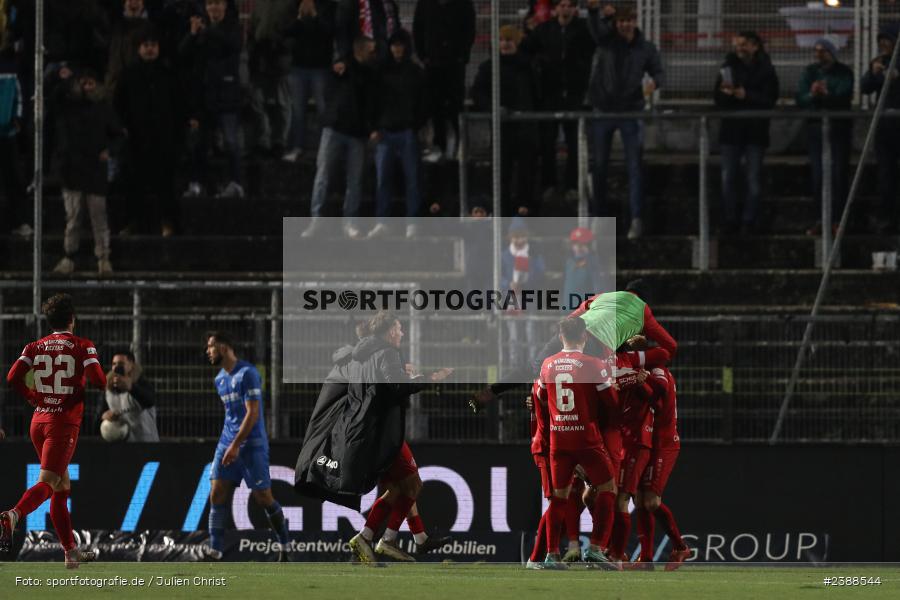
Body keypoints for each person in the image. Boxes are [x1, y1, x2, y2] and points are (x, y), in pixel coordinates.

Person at [294, 320, 450, 559]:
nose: (401, 333)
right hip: (378, 432)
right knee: (412, 484)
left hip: (368, 432)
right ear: (383, 335)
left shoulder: (356, 359)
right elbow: (391, 388)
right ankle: (382, 539)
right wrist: (427, 378)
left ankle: (414, 538)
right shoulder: (380, 355)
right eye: (398, 329)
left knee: (400, 487)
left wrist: (404, 372)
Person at [1, 293, 106, 568]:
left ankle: (70, 552)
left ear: (49, 321)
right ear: (73, 319)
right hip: (62, 424)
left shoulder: (34, 346)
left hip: (38, 421)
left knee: (62, 487)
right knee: (49, 482)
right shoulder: (83, 345)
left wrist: (31, 395)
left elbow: (12, 377)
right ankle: (14, 514)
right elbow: (99, 381)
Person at [535, 317, 618, 569]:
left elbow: (540, 397)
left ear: (561, 336)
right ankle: (596, 548)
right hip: (586, 438)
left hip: (559, 438)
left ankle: (551, 555)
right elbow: (611, 404)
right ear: (585, 336)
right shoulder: (594, 364)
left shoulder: (547, 364)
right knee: (608, 488)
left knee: (559, 497)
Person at [204, 331, 290, 561]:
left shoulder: (248, 373)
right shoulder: (219, 379)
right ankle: (215, 549)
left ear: (224, 347)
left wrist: (236, 445)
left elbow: (252, 413)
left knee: (263, 498)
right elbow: (231, 416)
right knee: (216, 493)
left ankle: (285, 544)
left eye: (211, 346)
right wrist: (228, 444)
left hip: (252, 445)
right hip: (227, 442)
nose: (208, 351)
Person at [586, 4, 663, 239]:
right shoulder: (607, 41)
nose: (624, 25)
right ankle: (599, 217)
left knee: (634, 167)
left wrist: (654, 84)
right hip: (604, 110)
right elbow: (596, 30)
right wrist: (595, 13)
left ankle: (636, 218)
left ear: (635, 21)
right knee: (599, 167)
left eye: (628, 20)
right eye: (621, 21)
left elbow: (659, 72)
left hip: (630, 111)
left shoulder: (645, 48)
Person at [302, 36, 377, 239]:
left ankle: (346, 221)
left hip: (353, 132)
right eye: (370, 51)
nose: (374, 54)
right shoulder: (343, 68)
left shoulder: (365, 72)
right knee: (325, 176)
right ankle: (319, 219)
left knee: (352, 180)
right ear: (361, 50)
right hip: (337, 128)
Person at [50, 66, 121, 276]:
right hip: (72, 170)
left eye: (91, 83)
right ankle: (69, 256)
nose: (87, 87)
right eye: (83, 83)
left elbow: (119, 134)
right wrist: (65, 80)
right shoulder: (67, 107)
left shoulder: (103, 108)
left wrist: (109, 151)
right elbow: (53, 99)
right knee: (73, 217)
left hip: (95, 171)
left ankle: (103, 258)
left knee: (98, 217)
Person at [521, 0, 594, 197]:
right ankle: (548, 184)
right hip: (549, 93)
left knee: (574, 142)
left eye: (569, 5)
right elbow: (526, 48)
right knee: (547, 142)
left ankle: (572, 185)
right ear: (555, 9)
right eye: (562, 5)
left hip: (574, 93)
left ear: (575, 8)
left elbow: (595, 44)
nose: (565, 8)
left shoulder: (583, 30)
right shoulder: (545, 29)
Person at [114, 26, 182, 236]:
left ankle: (167, 222)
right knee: (134, 183)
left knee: (165, 183)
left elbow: (177, 103)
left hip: (163, 136)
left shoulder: (168, 73)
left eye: (153, 45)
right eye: (146, 45)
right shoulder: (128, 74)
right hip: (136, 137)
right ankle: (133, 222)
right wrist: (123, 127)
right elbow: (119, 104)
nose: (150, 49)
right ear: (139, 48)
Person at [714, 31, 779, 235]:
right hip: (732, 131)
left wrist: (746, 95)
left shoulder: (766, 69)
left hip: (755, 132)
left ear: (755, 46)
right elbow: (718, 100)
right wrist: (726, 94)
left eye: (743, 44)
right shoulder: (727, 67)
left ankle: (748, 221)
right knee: (728, 179)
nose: (739, 48)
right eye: (737, 44)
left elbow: (770, 99)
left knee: (753, 180)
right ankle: (731, 220)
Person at [471, 25, 540, 216]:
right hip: (502, 129)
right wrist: (493, 108)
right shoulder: (489, 67)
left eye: (508, 40)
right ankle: (502, 212)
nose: (504, 44)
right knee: (502, 173)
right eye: (501, 40)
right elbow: (478, 93)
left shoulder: (527, 66)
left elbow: (537, 93)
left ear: (516, 42)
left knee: (526, 173)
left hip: (525, 128)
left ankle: (523, 212)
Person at [180, 0, 245, 199]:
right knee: (199, 142)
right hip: (204, 95)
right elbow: (183, 54)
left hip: (227, 94)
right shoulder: (200, 29)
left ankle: (236, 183)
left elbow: (233, 45)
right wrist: (192, 34)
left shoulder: (233, 27)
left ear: (224, 6)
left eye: (217, 3)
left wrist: (208, 31)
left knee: (230, 142)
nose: (213, 8)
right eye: (210, 3)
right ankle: (197, 183)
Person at [367, 29, 427, 239]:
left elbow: (423, 103)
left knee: (412, 179)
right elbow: (372, 100)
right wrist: (374, 127)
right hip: (385, 132)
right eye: (394, 45)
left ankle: (412, 223)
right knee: (383, 179)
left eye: (400, 45)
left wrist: (415, 125)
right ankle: (383, 221)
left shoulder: (416, 72)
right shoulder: (381, 71)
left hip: (406, 131)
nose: (397, 49)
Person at [633, 366, 690, 571]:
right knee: (639, 499)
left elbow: (659, 395)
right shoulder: (646, 370)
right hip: (647, 442)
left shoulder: (657, 371)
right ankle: (646, 558)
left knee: (651, 501)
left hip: (663, 444)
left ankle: (680, 547)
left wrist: (640, 382)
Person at [796, 38, 853, 237]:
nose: (819, 54)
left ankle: (838, 220)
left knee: (838, 174)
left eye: (823, 51)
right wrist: (812, 95)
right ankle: (821, 219)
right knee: (818, 176)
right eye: (817, 50)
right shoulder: (810, 72)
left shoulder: (844, 72)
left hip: (838, 129)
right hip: (816, 129)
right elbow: (800, 98)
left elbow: (844, 97)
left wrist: (826, 94)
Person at [412, 0, 476, 163]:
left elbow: (469, 29)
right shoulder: (425, 3)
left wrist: (462, 56)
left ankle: (459, 147)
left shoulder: (464, 3)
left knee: (455, 106)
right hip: (433, 64)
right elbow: (417, 29)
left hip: (455, 64)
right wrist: (424, 56)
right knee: (435, 106)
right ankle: (438, 146)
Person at [283, 0, 337, 162]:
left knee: (323, 110)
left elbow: (329, 31)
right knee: (297, 110)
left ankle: (325, 148)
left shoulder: (328, 5)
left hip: (321, 67)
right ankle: (297, 146)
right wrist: (299, 18)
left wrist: (314, 15)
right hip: (298, 66)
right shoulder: (295, 5)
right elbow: (287, 31)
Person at [861, 24, 900, 234]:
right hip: (885, 128)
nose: (884, 44)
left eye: (888, 40)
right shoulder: (880, 62)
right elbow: (865, 87)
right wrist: (873, 74)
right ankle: (887, 216)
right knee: (885, 174)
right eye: (881, 40)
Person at [247, 0, 294, 158]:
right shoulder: (259, 3)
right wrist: (253, 49)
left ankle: (279, 142)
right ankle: (263, 141)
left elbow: (296, 29)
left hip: (281, 57)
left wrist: (282, 44)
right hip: (260, 56)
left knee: (281, 103)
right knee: (258, 102)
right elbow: (252, 28)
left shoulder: (291, 3)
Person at [500, 220, 546, 370]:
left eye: (521, 236)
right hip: (511, 298)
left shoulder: (534, 253)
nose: (519, 240)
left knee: (531, 332)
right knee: (514, 335)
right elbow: (498, 276)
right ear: (510, 237)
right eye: (515, 237)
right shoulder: (504, 255)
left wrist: (526, 281)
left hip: (529, 296)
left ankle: (533, 366)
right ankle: (515, 366)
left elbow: (540, 273)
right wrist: (508, 284)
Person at [0, 42, 29, 238]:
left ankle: (18, 221)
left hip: (7, 135)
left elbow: (19, 94)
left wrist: (17, 118)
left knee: (13, 180)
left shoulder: (10, 67)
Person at [101, 350, 159, 442]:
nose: (117, 367)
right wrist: (105, 415)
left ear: (131, 365)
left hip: (147, 443)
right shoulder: (109, 389)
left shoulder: (141, 384)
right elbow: (101, 412)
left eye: (121, 364)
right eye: (114, 364)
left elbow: (150, 401)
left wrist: (132, 388)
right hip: (122, 444)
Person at [335, 0, 401, 66]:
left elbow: (396, 30)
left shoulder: (389, 4)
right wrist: (345, 59)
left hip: (387, 59)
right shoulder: (350, 4)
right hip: (360, 60)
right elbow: (342, 34)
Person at [562, 227, 604, 311]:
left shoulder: (592, 262)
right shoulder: (569, 262)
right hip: (569, 308)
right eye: (575, 244)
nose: (578, 248)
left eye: (583, 244)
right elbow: (566, 286)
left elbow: (597, 286)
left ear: (589, 246)